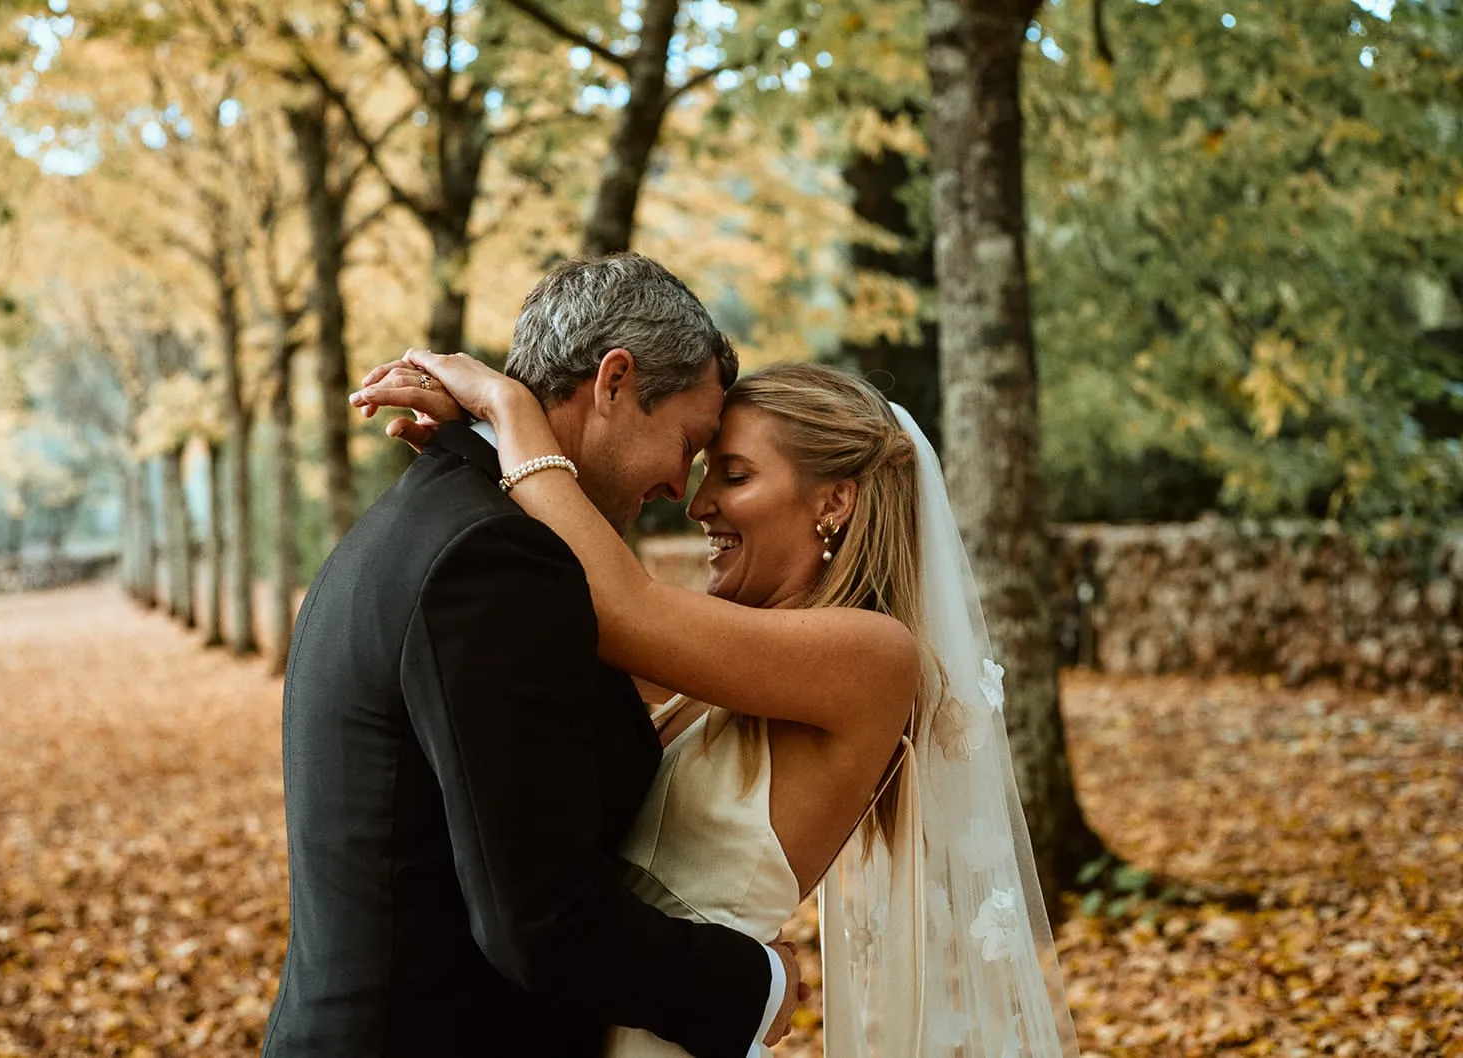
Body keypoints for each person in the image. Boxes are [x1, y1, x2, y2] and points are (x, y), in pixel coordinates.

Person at [352, 351, 1082, 1056]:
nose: (698, 503)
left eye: (733, 476)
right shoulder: (724, 654)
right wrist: (472, 460)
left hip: (666, 1033)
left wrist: (507, 411)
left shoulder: (873, 656)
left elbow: (614, 602)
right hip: (612, 1006)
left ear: (833, 501)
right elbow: (543, 654)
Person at [262, 253, 803, 1058]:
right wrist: (759, 983)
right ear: (614, 382)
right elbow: (540, 923)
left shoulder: (437, 518)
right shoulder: (496, 561)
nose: (678, 489)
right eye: (686, 443)